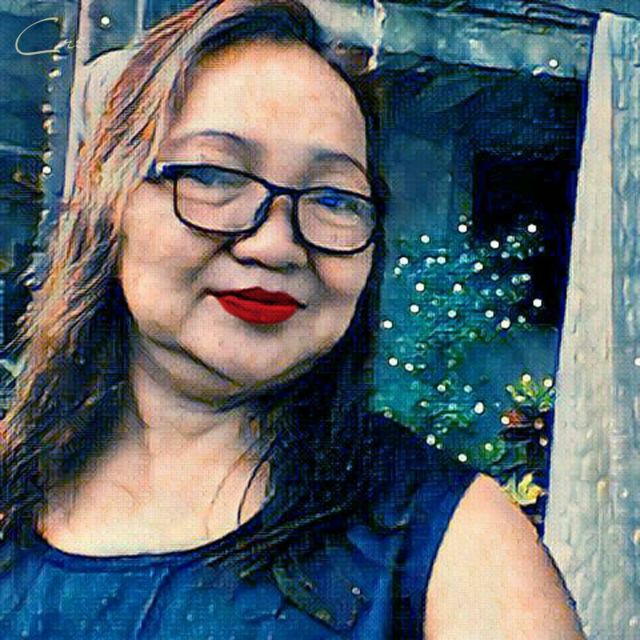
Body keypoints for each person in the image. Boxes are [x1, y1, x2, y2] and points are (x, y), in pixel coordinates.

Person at [0, 0, 586, 637]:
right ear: (108, 204)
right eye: (215, 175)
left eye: (334, 198)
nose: (276, 245)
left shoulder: (459, 547)